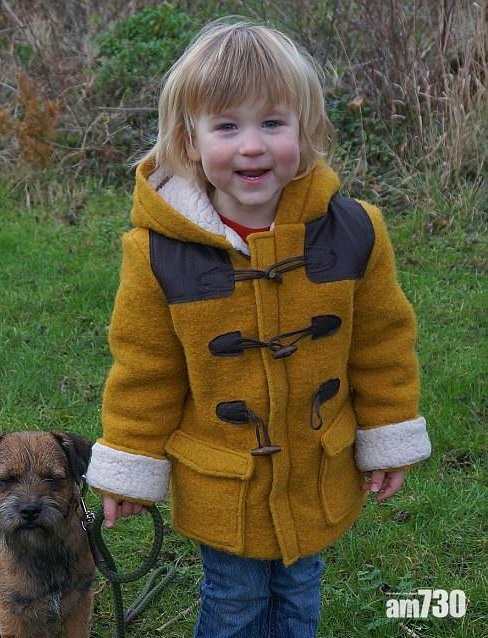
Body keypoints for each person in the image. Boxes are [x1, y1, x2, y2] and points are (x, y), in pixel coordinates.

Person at [85, 17, 431, 638]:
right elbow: (145, 368)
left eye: (272, 123)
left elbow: (382, 344)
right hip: (226, 481)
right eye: (226, 126)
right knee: (235, 600)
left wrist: (387, 435)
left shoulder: (356, 232)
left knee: (300, 593)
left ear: (307, 129)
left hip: (316, 470)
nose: (252, 146)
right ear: (190, 141)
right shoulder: (158, 252)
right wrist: (132, 464)